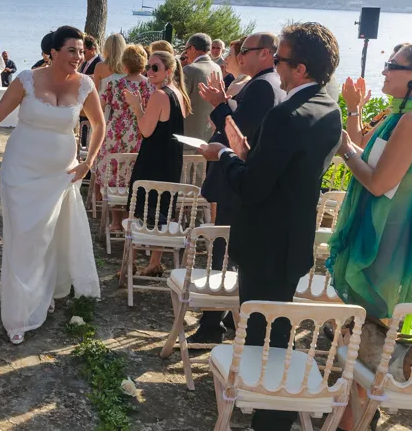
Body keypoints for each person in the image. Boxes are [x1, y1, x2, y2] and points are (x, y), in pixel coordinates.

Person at [199, 22, 342, 431]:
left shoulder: (286, 114)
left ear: (299, 68)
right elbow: (289, 173)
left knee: (259, 332)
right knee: (277, 332)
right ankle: (272, 410)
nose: (275, 66)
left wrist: (224, 154)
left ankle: (268, 413)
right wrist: (249, 153)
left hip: (263, 241)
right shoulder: (328, 108)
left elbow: (254, 186)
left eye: (279, 59)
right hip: (292, 239)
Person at [0, 25, 104, 344]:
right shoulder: (27, 78)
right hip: (21, 172)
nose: (78, 57)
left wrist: (88, 161)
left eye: (81, 51)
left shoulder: (85, 85)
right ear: (53, 53)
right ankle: (19, 314)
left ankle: (45, 293)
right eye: (72, 51)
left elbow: (99, 125)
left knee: (47, 238)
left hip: (60, 175)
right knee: (23, 239)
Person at [190, 33, 285, 344]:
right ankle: (226, 320)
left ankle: (211, 326)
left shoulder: (262, 85)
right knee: (230, 251)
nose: (241, 55)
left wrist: (220, 106)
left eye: (247, 51)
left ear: (267, 54)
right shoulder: (270, 83)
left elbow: (238, 131)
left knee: (224, 251)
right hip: (246, 177)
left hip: (239, 178)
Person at [329, 44, 412, 319]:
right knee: (363, 318)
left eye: (393, 65)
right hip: (380, 225)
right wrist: (350, 143)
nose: (385, 71)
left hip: (391, 236)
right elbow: (375, 161)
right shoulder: (400, 114)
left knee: (376, 317)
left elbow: (379, 183)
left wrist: (347, 150)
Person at [123, 51, 191, 276]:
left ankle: (129, 264)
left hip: (154, 160)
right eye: (148, 67)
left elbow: (145, 129)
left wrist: (135, 106)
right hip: (171, 160)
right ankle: (154, 262)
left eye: (155, 68)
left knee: (138, 209)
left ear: (168, 71)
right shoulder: (179, 93)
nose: (149, 72)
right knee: (162, 210)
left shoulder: (160, 95)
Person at [95, 44, 152, 231]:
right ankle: (130, 218)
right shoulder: (149, 86)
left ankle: (116, 221)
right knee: (133, 175)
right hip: (138, 131)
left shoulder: (115, 84)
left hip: (116, 133)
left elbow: (100, 106)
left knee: (114, 175)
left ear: (124, 64)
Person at [183, 33, 223, 142]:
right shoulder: (217, 67)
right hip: (209, 133)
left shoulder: (189, 70)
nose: (185, 54)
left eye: (186, 50)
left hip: (189, 134)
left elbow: (180, 102)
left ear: (192, 49)